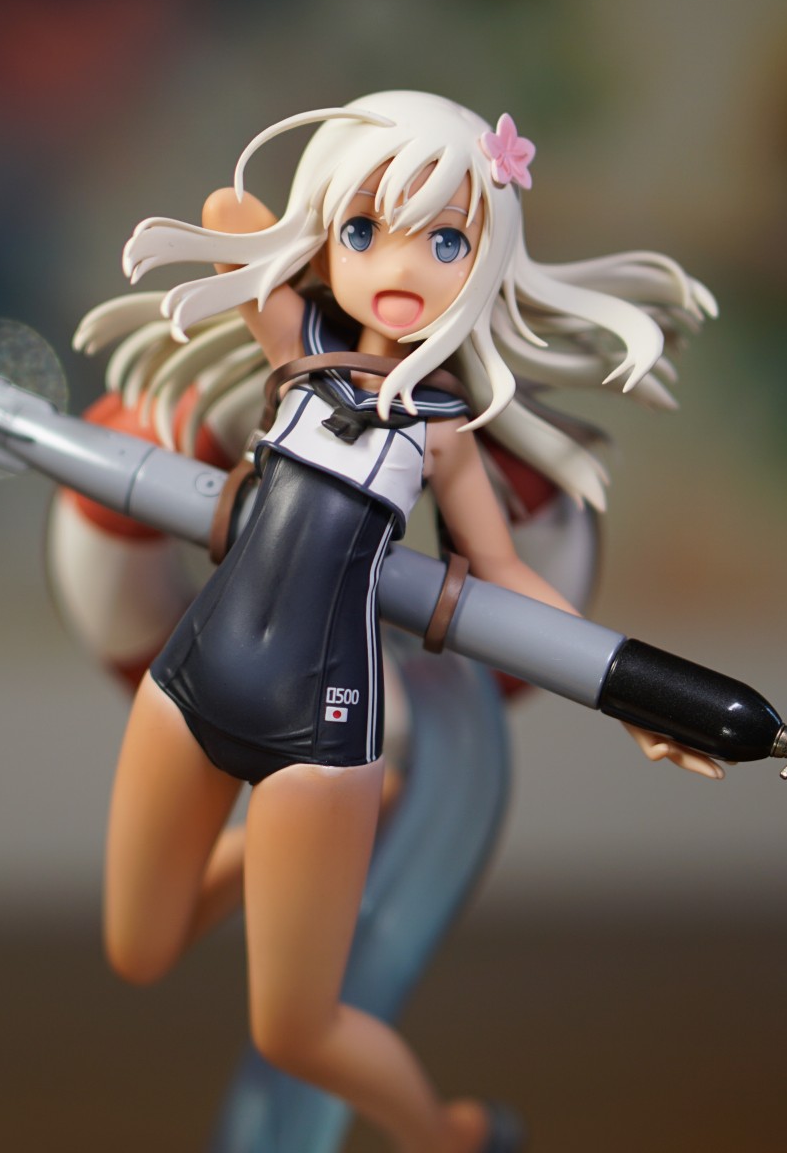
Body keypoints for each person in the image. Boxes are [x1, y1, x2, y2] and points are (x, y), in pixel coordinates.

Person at [74, 90, 718, 1153]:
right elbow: (229, 211)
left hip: (318, 740)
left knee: (295, 1032)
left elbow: (501, 573)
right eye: (370, 232)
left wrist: (634, 698)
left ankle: (441, 1132)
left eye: (447, 240)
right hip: (190, 686)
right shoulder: (296, 346)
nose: (404, 267)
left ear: (486, 261)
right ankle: (263, 854)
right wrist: (334, 200)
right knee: (136, 950)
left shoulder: (444, 431)